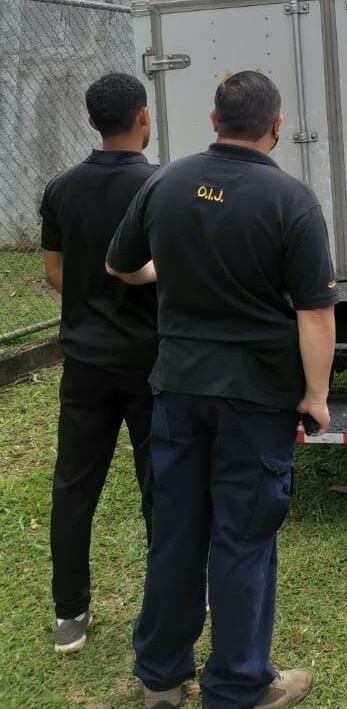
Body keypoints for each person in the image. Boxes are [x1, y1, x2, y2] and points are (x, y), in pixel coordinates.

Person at [107, 71, 338, 708]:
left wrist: (169, 271)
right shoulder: (292, 201)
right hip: (257, 396)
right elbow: (314, 314)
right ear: (276, 126)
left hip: (177, 388)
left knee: (176, 530)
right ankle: (237, 684)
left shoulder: (166, 182)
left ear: (213, 120)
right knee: (243, 536)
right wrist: (316, 396)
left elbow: (120, 264)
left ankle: (160, 675)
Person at [39, 73, 157, 655]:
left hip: (84, 362)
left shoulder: (61, 189)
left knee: (74, 485)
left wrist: (90, 297)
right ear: (143, 117)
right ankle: (177, 591)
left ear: (90, 122)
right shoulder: (161, 185)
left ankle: (70, 616)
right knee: (160, 481)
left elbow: (54, 273)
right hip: (150, 361)